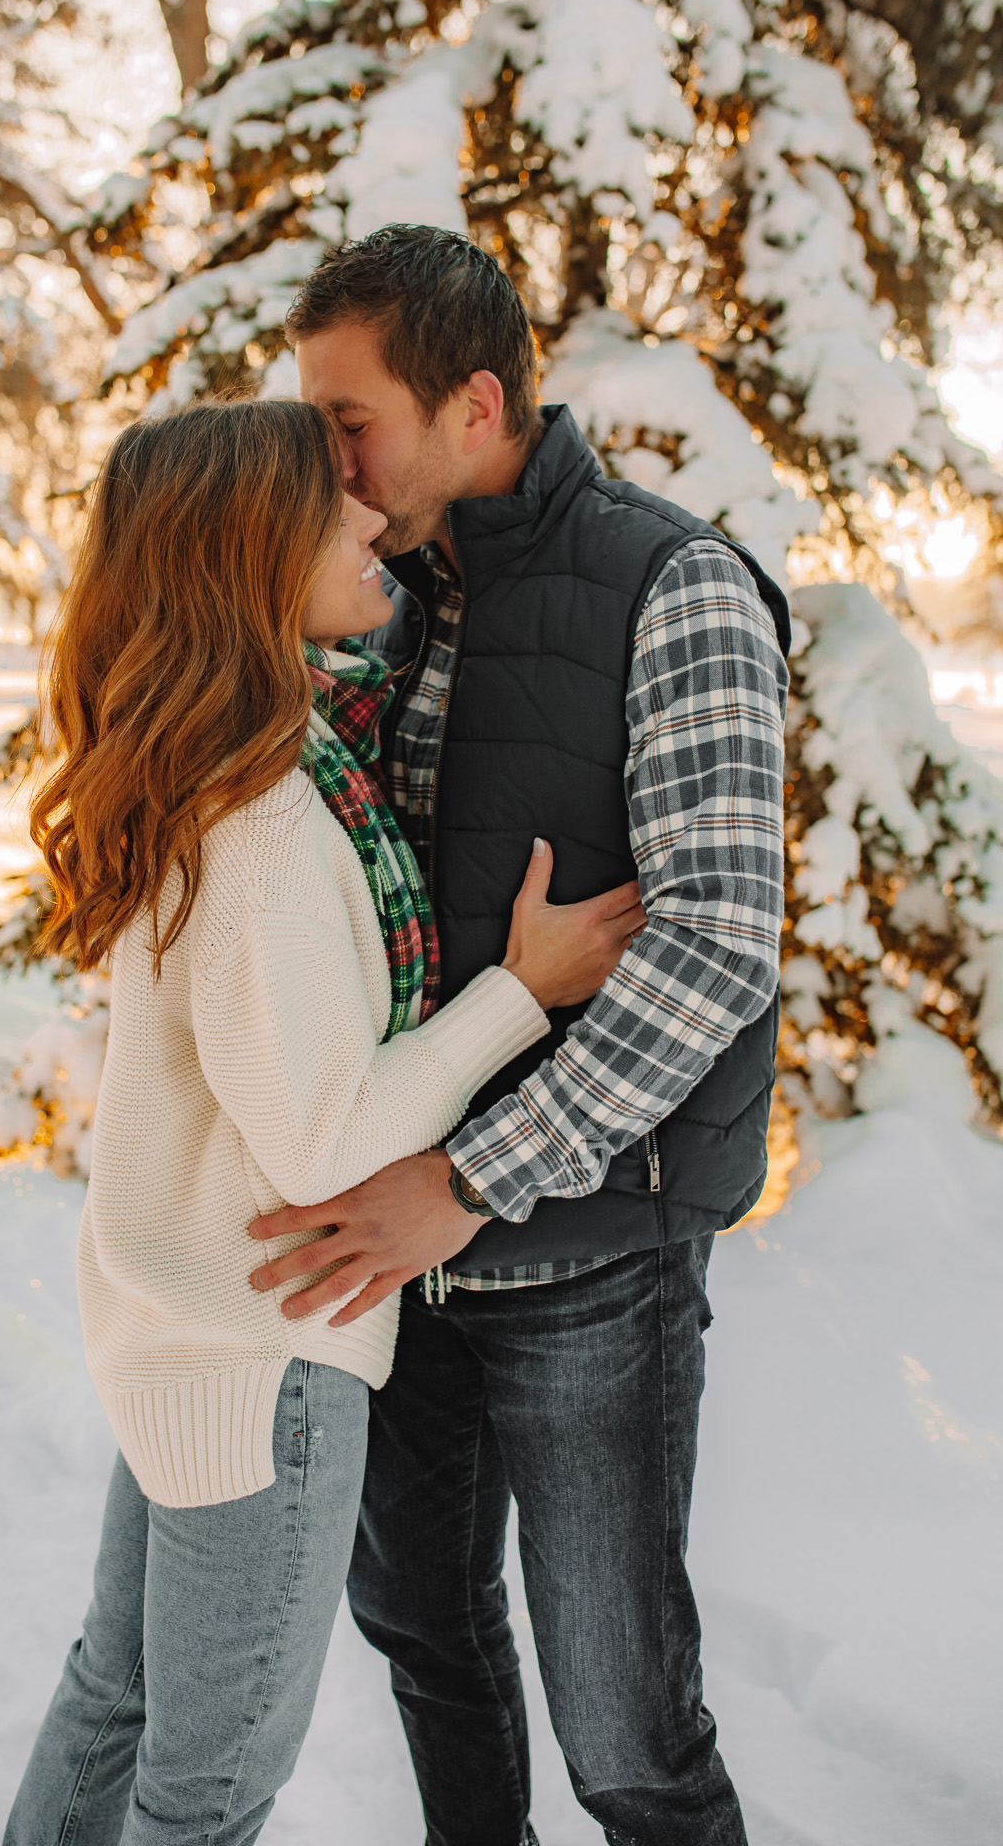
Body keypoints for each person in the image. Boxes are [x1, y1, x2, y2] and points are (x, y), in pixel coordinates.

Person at [3, 397, 647, 1846]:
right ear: (253, 556)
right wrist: (518, 993)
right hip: (262, 1351)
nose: (372, 519)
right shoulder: (272, 826)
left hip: (178, 1327)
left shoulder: (222, 772)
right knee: (208, 1788)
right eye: (334, 507)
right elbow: (321, 1142)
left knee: (116, 1696)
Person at [248, 227, 791, 1846]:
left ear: (474, 402)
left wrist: (466, 1181)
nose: (319, 456)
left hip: (584, 1269)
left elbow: (709, 950)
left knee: (625, 1734)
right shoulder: (366, 592)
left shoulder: (671, 586)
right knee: (426, 1642)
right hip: (389, 1266)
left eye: (350, 420)